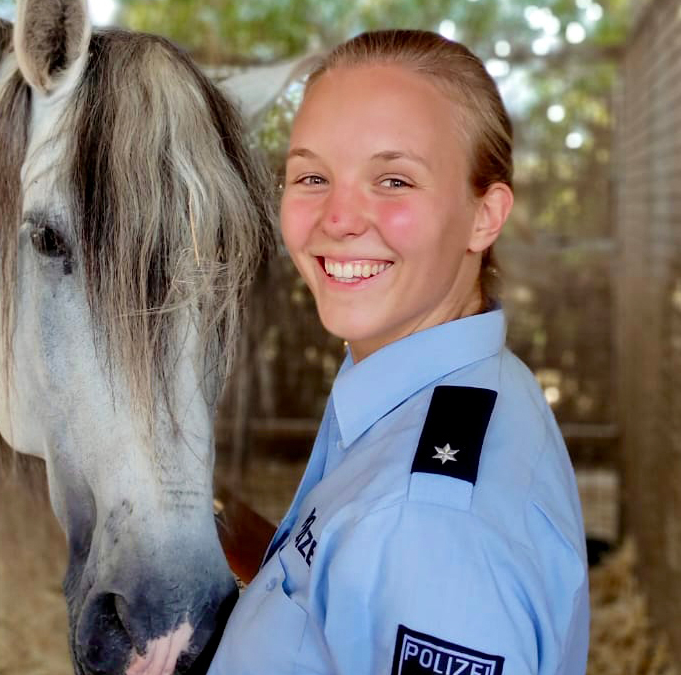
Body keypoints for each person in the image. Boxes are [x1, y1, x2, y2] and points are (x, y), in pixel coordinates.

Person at [205, 29, 590, 675]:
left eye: (391, 179)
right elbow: (350, 585)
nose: (338, 218)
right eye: (310, 175)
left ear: (483, 216)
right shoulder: (455, 384)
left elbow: (405, 546)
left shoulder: (428, 525)